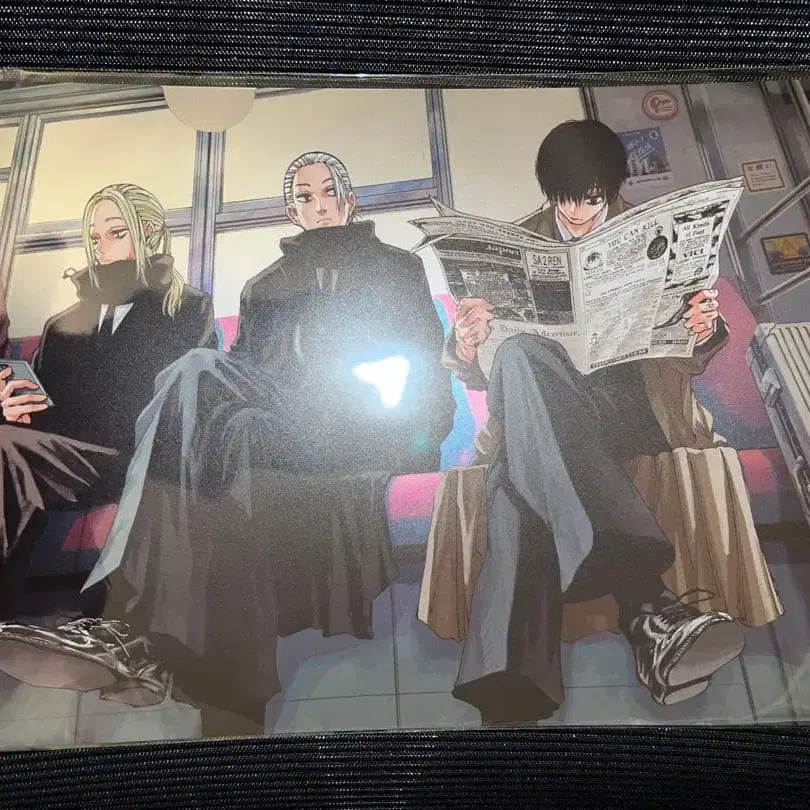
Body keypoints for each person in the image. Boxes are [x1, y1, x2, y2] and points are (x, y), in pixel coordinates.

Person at [0, 152, 456, 735]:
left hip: (365, 425)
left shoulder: (397, 267)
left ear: (348, 199)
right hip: (287, 429)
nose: (318, 205)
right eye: (305, 196)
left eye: (328, 192)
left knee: (204, 386)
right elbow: (240, 375)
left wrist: (413, 428)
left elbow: (425, 367)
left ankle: (124, 624)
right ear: (291, 209)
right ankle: (220, 691)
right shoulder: (265, 284)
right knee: (216, 407)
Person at [440, 120, 752, 725]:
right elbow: (480, 378)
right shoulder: (519, 242)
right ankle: (649, 613)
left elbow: (693, 356)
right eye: (564, 198)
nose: (577, 212)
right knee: (519, 364)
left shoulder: (660, 234)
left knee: (519, 465)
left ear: (611, 188)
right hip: (551, 409)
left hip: (636, 408)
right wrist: (468, 344)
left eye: (591, 197)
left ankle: (508, 692)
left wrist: (703, 327)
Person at [0, 183, 216, 615]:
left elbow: (188, 401)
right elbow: (45, 408)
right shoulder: (63, 324)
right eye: (95, 237)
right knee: (6, 439)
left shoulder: (186, 309)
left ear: (148, 231)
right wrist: (16, 410)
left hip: (140, 455)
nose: (102, 247)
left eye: (116, 233)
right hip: (68, 456)